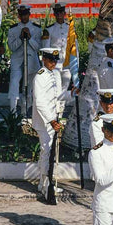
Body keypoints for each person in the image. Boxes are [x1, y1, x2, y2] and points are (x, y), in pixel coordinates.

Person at [32, 48, 64, 199]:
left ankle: (44, 183)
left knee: (51, 152)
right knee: (46, 152)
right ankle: (45, 185)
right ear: (44, 59)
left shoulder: (53, 74)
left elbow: (55, 97)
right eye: (51, 60)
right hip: (45, 122)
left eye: (55, 60)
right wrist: (50, 120)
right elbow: (40, 102)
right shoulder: (40, 76)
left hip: (53, 120)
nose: (53, 63)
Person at [7, 3, 42, 115]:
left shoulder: (36, 29)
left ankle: (26, 112)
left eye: (26, 14)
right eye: (21, 15)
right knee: (14, 84)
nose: (24, 17)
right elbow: (12, 47)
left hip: (32, 62)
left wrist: (30, 38)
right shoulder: (13, 29)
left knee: (29, 89)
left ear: (29, 14)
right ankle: (13, 112)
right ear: (19, 15)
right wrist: (21, 38)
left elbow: (39, 48)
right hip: (18, 61)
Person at [41, 3, 71, 110]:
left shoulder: (70, 28)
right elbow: (46, 49)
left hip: (67, 63)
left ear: (64, 14)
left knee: (65, 87)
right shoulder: (49, 30)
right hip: (55, 64)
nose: (59, 15)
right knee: (57, 88)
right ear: (54, 14)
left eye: (61, 13)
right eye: (57, 13)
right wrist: (46, 67)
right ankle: (56, 111)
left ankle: (61, 111)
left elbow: (74, 47)